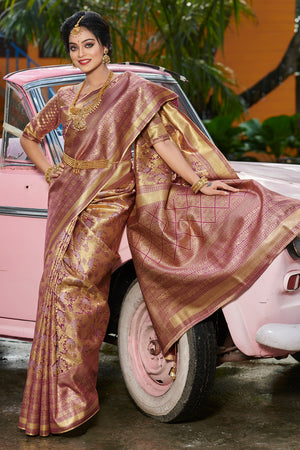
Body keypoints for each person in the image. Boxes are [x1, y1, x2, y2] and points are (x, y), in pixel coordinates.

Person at [18, 10, 300, 437]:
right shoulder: (65, 98)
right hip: (67, 200)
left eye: (88, 45)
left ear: (105, 46)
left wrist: (199, 181)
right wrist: (52, 171)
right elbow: (28, 137)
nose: (81, 54)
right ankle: (57, 403)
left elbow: (162, 141)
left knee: (80, 291)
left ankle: (73, 399)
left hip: (109, 203)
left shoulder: (132, 91)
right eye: (74, 47)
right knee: (56, 291)